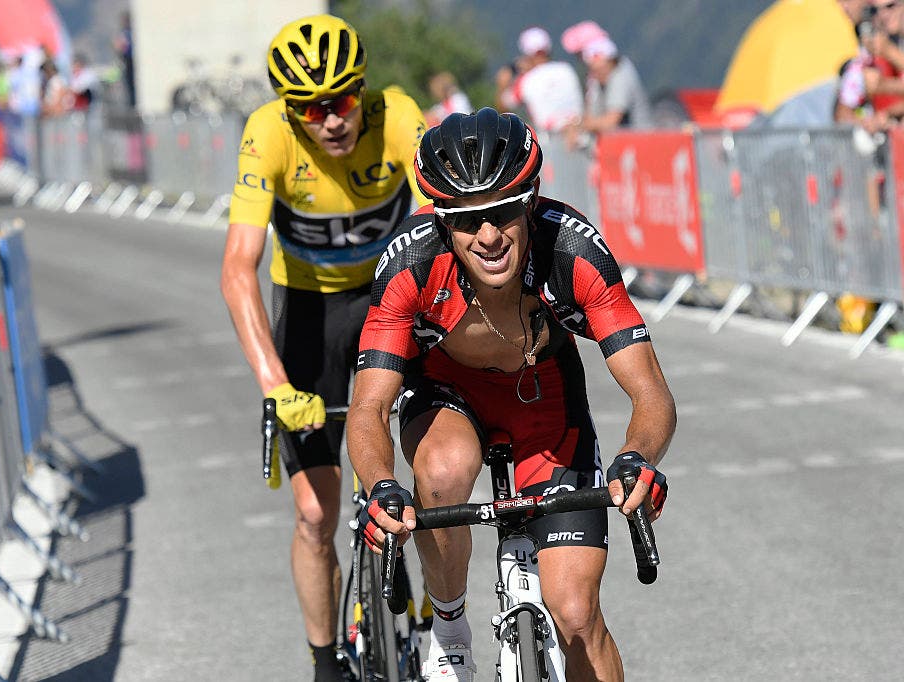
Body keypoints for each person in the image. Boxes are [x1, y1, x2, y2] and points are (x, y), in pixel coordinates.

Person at [347, 108, 676, 681]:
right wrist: (380, 485)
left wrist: (637, 459)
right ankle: (448, 628)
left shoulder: (572, 253)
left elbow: (651, 393)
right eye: (468, 221)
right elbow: (369, 406)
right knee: (445, 470)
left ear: (530, 202)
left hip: (546, 407)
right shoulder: (410, 265)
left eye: (503, 212)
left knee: (576, 615)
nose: (489, 236)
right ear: (442, 222)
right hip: (448, 396)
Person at [219, 13, 429, 681]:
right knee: (315, 512)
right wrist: (275, 386)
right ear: (289, 110)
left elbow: (438, 229)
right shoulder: (268, 135)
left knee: (438, 474)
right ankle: (325, 662)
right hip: (309, 313)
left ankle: (439, 617)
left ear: (361, 92)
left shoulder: (397, 117)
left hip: (390, 299)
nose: (330, 119)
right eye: (310, 108)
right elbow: (236, 269)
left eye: (342, 101)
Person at [561, 21, 653, 149]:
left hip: (639, 147)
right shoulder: (596, 79)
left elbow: (611, 121)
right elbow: (591, 115)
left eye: (581, 54)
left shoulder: (620, 74)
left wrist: (580, 125)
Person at [495, 26, 582, 136]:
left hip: (549, 140)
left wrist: (502, 84)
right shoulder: (567, 69)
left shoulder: (525, 81)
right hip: (580, 132)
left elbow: (503, 107)